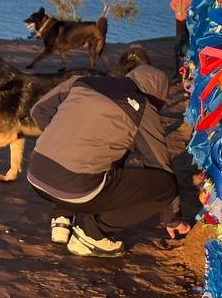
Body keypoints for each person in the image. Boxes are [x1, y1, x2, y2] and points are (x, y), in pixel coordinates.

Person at [26, 64, 189, 257]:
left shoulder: (82, 81)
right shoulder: (142, 106)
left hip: (36, 175)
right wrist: (172, 218)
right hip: (76, 189)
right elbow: (160, 165)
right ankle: (93, 235)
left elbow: (39, 111)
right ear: (158, 94)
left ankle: (61, 219)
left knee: (96, 154)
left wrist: (65, 136)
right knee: (165, 186)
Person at [170, 0, 192, 71]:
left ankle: (186, 43)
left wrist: (186, 10)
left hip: (184, 17)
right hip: (178, 17)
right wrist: (176, 10)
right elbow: (171, 4)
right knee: (179, 31)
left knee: (185, 31)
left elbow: (191, 4)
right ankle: (179, 43)